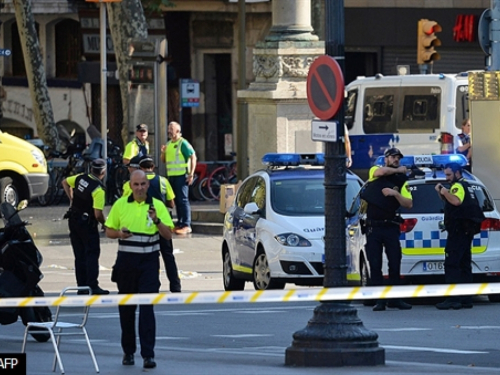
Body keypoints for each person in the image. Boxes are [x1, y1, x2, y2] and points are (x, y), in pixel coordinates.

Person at [105, 170, 174, 369]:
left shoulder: (157, 206)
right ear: (130, 185)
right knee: (126, 310)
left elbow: (168, 235)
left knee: (147, 309)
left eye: (143, 184)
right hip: (126, 263)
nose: (140, 188)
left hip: (149, 263)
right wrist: (119, 233)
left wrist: (157, 221)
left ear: (147, 185)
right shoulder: (120, 205)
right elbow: (109, 231)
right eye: (136, 184)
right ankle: (128, 352)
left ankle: (148, 355)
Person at [361, 147, 413, 311]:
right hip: (374, 227)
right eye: (393, 157)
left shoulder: (401, 181)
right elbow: (381, 173)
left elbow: (409, 203)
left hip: (390, 226)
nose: (396, 159)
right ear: (386, 159)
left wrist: (395, 194)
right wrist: (398, 170)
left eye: (398, 158)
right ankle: (380, 300)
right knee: (375, 264)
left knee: (395, 263)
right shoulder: (376, 170)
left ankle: (395, 299)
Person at [434, 163, 485, 310]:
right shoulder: (468, 186)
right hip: (465, 231)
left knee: (452, 265)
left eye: (449, 175)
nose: (447, 178)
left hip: (457, 231)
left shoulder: (458, 186)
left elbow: (456, 201)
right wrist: (442, 193)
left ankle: (453, 299)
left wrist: (444, 190)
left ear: (457, 173)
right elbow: (451, 200)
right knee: (464, 265)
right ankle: (466, 299)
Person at [62, 158, 109, 295]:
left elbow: (64, 182)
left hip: (74, 220)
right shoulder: (98, 189)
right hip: (87, 224)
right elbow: (98, 213)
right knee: (92, 254)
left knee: (79, 255)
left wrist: (71, 199)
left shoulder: (80, 178)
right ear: (104, 172)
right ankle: (92, 286)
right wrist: (104, 224)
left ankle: (81, 286)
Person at [139, 155, 181, 293]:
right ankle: (175, 285)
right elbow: (171, 202)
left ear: (141, 168)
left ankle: (153, 285)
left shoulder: (136, 183)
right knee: (168, 255)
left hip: (144, 223)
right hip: (162, 222)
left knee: (150, 256)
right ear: (153, 167)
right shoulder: (163, 181)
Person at [160, 121, 197, 235]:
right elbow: (164, 160)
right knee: (176, 200)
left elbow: (193, 157)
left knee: (183, 200)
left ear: (178, 131)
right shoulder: (169, 144)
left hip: (182, 176)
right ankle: (180, 223)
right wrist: (163, 152)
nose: (169, 131)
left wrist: (191, 174)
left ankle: (186, 224)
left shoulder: (183, 143)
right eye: (169, 129)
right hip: (172, 176)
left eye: (172, 129)